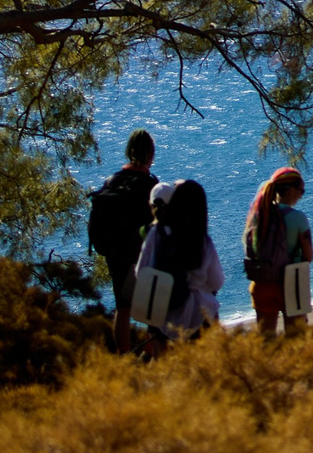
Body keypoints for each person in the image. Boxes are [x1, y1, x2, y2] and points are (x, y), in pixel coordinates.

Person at [86, 130, 160, 353]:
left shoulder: (112, 181)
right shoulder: (149, 184)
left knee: (123, 307)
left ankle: (124, 355)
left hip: (116, 254)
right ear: (150, 154)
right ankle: (153, 355)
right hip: (142, 254)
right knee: (152, 308)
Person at [131, 178, 223, 355]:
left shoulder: (156, 234)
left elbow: (141, 272)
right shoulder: (202, 240)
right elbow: (216, 282)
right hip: (200, 313)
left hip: (164, 311)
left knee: (167, 367)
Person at [242, 166, 313, 335]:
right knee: (296, 341)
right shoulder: (298, 218)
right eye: (301, 191)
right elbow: (308, 256)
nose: (301, 195)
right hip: (292, 282)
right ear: (291, 190)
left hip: (263, 282)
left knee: (266, 343)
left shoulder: (258, 216)